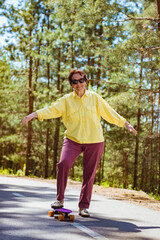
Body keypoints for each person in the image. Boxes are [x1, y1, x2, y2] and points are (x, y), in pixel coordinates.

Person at [22, 69, 137, 217]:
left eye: (81, 80)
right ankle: (60, 199)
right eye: (75, 82)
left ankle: (83, 207)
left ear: (86, 81)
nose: (79, 84)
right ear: (71, 84)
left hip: (94, 140)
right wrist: (33, 115)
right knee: (63, 163)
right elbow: (51, 110)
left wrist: (126, 124)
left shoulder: (94, 98)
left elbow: (110, 113)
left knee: (89, 174)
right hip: (73, 140)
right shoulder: (66, 100)